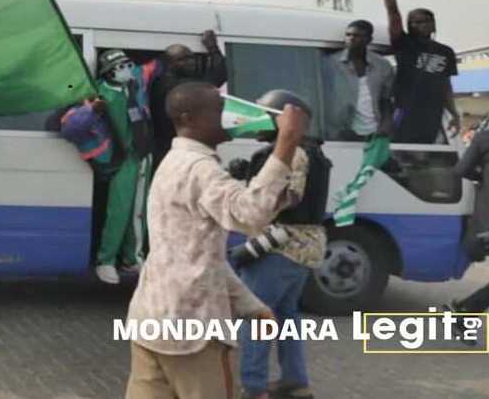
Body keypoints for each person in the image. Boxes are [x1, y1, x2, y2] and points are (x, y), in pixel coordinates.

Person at [125, 82, 307, 399]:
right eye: (220, 110)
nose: (231, 116)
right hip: (190, 330)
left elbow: (202, 259)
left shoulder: (173, 162)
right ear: (189, 118)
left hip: (151, 320)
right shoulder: (199, 169)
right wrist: (287, 141)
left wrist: (252, 308)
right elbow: (251, 215)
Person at [231, 90, 330, 399]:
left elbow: (291, 196)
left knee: (256, 316)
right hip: (306, 246)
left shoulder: (294, 153)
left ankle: (254, 387)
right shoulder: (314, 152)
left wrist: (252, 197)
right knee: (287, 316)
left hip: (281, 247)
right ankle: (295, 381)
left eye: (263, 115)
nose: (255, 122)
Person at [59, 50, 152, 284]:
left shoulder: (133, 84)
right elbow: (70, 128)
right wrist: (92, 110)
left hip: (141, 156)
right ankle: (106, 260)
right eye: (121, 67)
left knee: (138, 212)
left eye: (128, 64)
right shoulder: (96, 94)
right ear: (109, 72)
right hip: (120, 160)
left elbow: (153, 67)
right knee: (118, 211)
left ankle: (132, 259)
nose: (127, 69)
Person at [380, 0, 459, 143]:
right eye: (412, 22)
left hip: (432, 113)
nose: (415, 25)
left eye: (421, 21)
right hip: (404, 110)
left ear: (432, 24)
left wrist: (454, 112)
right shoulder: (405, 44)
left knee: (423, 156)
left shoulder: (446, 52)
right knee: (400, 152)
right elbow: (393, 12)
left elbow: (445, 85)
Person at [450, 101, 489, 316]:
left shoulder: (485, 136)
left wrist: (484, 178)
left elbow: (461, 170)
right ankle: (464, 312)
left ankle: (465, 312)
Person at [147, 30, 228, 168]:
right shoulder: (171, 85)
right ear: (169, 64)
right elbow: (218, 76)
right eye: (182, 59)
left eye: (191, 58)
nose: (190, 62)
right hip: (170, 148)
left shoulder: (165, 81)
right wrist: (213, 48)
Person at [323, 19, 395, 141]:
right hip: (340, 134)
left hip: (374, 133)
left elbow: (386, 100)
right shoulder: (330, 63)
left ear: (369, 40)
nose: (351, 38)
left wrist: (385, 126)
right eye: (348, 35)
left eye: (357, 36)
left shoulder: (382, 65)